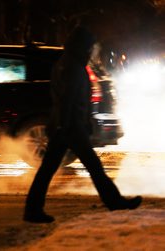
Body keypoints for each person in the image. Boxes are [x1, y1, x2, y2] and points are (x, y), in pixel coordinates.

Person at [23, 26, 142, 223]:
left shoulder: (67, 62)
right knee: (91, 167)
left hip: (67, 126)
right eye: (90, 45)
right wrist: (68, 125)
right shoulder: (73, 66)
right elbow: (68, 99)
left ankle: (33, 210)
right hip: (70, 127)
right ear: (82, 45)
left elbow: (69, 98)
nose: (92, 50)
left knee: (50, 169)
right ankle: (114, 202)